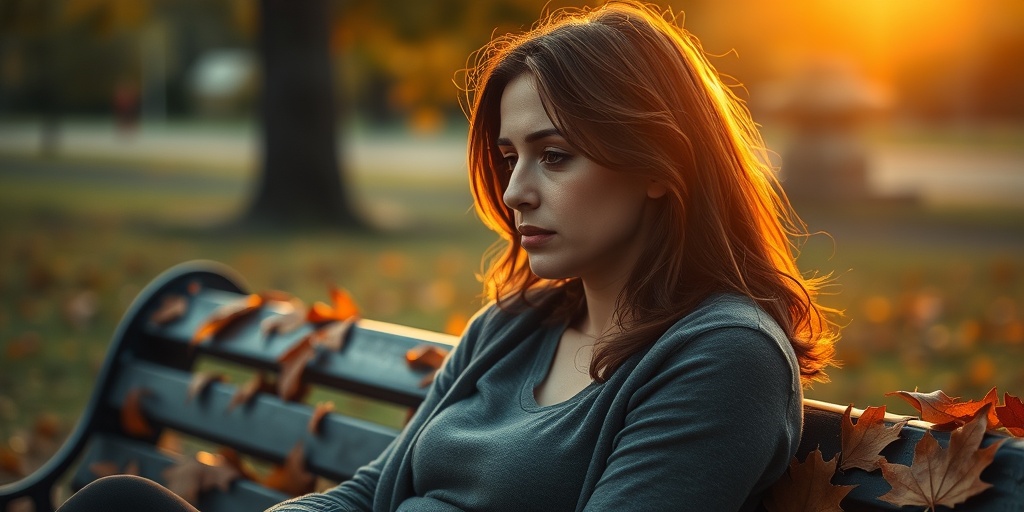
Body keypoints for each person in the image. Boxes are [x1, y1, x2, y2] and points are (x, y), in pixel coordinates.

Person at [58, 1, 839, 511]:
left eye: (555, 156)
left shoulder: (720, 358)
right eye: (508, 157)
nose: (516, 192)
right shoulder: (517, 326)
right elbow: (372, 496)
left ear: (660, 167)